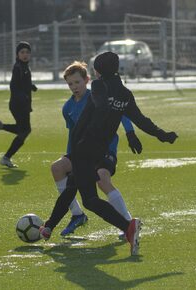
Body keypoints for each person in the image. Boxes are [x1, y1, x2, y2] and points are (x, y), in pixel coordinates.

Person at [40, 52, 178, 256]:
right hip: (98, 150)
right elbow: (141, 120)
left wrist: (101, 109)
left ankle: (128, 227)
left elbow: (100, 105)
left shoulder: (98, 86)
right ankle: (49, 226)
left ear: (97, 71)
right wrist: (162, 135)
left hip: (83, 147)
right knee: (72, 187)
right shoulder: (124, 94)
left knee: (88, 199)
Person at [51, 61, 142, 238]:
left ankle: (129, 223)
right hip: (82, 153)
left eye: (77, 82)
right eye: (70, 84)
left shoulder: (99, 97)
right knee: (57, 168)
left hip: (104, 149)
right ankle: (77, 215)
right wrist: (72, 160)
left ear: (87, 80)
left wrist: (130, 132)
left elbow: (121, 112)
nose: (74, 87)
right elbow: (73, 135)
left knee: (102, 178)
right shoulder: (68, 108)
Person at [0, 41, 38, 168]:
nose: (25, 55)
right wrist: (22, 96)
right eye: (22, 52)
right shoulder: (18, 67)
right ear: (17, 54)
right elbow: (13, 86)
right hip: (18, 104)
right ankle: (6, 157)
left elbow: (22, 83)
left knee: (23, 130)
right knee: (25, 131)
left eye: (27, 52)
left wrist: (31, 87)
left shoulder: (24, 67)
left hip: (21, 104)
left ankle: (0, 127)